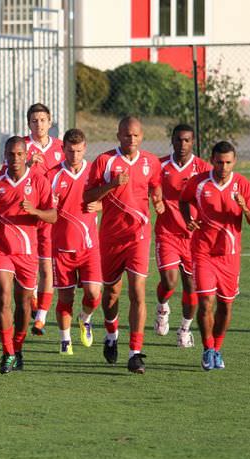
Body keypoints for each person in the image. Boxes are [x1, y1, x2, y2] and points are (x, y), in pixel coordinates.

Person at [84, 116, 164, 374]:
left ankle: (135, 353)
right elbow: (88, 196)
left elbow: (155, 188)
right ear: (118, 135)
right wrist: (111, 185)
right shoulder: (104, 161)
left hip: (138, 236)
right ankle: (111, 334)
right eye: (127, 135)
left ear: (142, 137)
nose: (132, 139)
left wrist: (158, 200)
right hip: (110, 237)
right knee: (111, 293)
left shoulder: (151, 162)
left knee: (137, 291)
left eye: (136, 135)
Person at [179, 141, 250, 370]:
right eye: (220, 162)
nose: (224, 167)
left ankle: (218, 349)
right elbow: (183, 200)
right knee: (205, 302)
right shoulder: (199, 182)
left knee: (226, 306)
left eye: (228, 162)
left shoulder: (243, 185)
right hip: (203, 252)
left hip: (229, 256)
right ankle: (208, 349)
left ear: (234, 162)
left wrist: (244, 208)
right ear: (212, 160)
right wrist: (188, 218)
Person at [0, 136, 56, 373]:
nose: (15, 158)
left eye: (19, 154)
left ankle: (17, 347)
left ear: (26, 155)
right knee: (3, 296)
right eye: (11, 154)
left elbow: (53, 215)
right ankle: (7, 352)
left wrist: (35, 211)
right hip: (1, 248)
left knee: (23, 303)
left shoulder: (39, 181)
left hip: (27, 250)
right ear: (4, 155)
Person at [46, 129, 102, 355]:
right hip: (62, 248)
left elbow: (109, 199)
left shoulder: (94, 172)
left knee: (93, 293)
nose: (75, 155)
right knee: (65, 298)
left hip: (89, 247)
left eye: (79, 151)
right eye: (70, 151)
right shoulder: (52, 175)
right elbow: (46, 209)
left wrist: (100, 205)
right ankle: (65, 340)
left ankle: (85, 318)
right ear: (63, 149)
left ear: (85, 148)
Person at [153, 124, 210, 347]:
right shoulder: (160, 165)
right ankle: (162, 308)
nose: (182, 144)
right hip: (167, 233)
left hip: (194, 239)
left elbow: (211, 197)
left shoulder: (203, 169)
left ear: (193, 142)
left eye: (187, 140)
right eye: (178, 139)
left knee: (191, 287)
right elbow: (149, 187)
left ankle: (184, 330)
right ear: (172, 140)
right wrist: (157, 200)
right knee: (169, 282)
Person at [24, 103, 64, 336]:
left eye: (42, 120)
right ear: (28, 123)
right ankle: (33, 298)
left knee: (47, 266)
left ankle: (41, 318)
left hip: (49, 215)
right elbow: (10, 174)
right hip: (26, 215)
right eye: (34, 120)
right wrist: (28, 166)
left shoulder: (60, 147)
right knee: (30, 266)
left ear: (50, 122)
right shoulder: (22, 147)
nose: (38, 124)